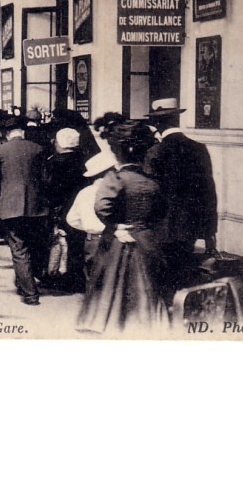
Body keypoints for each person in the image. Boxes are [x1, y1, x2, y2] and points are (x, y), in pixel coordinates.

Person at [77, 121, 167, 334]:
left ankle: (111, 323)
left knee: (113, 284)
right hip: (146, 238)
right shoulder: (151, 182)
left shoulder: (116, 178)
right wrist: (143, 225)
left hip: (118, 240)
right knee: (145, 284)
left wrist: (116, 225)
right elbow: (161, 211)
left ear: (118, 153)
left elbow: (102, 206)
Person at [143, 98, 218, 302]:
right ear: (177, 119)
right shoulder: (198, 148)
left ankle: (166, 314)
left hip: (161, 226)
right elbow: (209, 191)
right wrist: (210, 230)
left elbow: (150, 192)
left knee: (163, 276)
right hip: (190, 225)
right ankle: (184, 311)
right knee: (185, 270)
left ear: (157, 124)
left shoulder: (155, 152)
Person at [0, 116, 48, 305]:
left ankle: (30, 293)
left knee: (19, 248)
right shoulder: (38, 149)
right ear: (22, 131)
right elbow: (45, 179)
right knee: (31, 245)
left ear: (7, 134)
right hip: (37, 207)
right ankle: (24, 280)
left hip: (10, 207)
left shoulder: (0, 150)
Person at [43, 128, 89, 293]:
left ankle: (58, 276)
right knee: (76, 242)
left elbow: (50, 187)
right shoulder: (82, 160)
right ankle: (76, 277)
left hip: (60, 207)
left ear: (60, 143)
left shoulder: (55, 162)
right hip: (77, 205)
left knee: (58, 242)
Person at [66, 150, 118, 284]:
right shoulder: (116, 192)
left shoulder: (85, 193)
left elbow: (71, 219)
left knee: (93, 279)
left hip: (92, 240)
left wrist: (88, 227)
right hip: (113, 238)